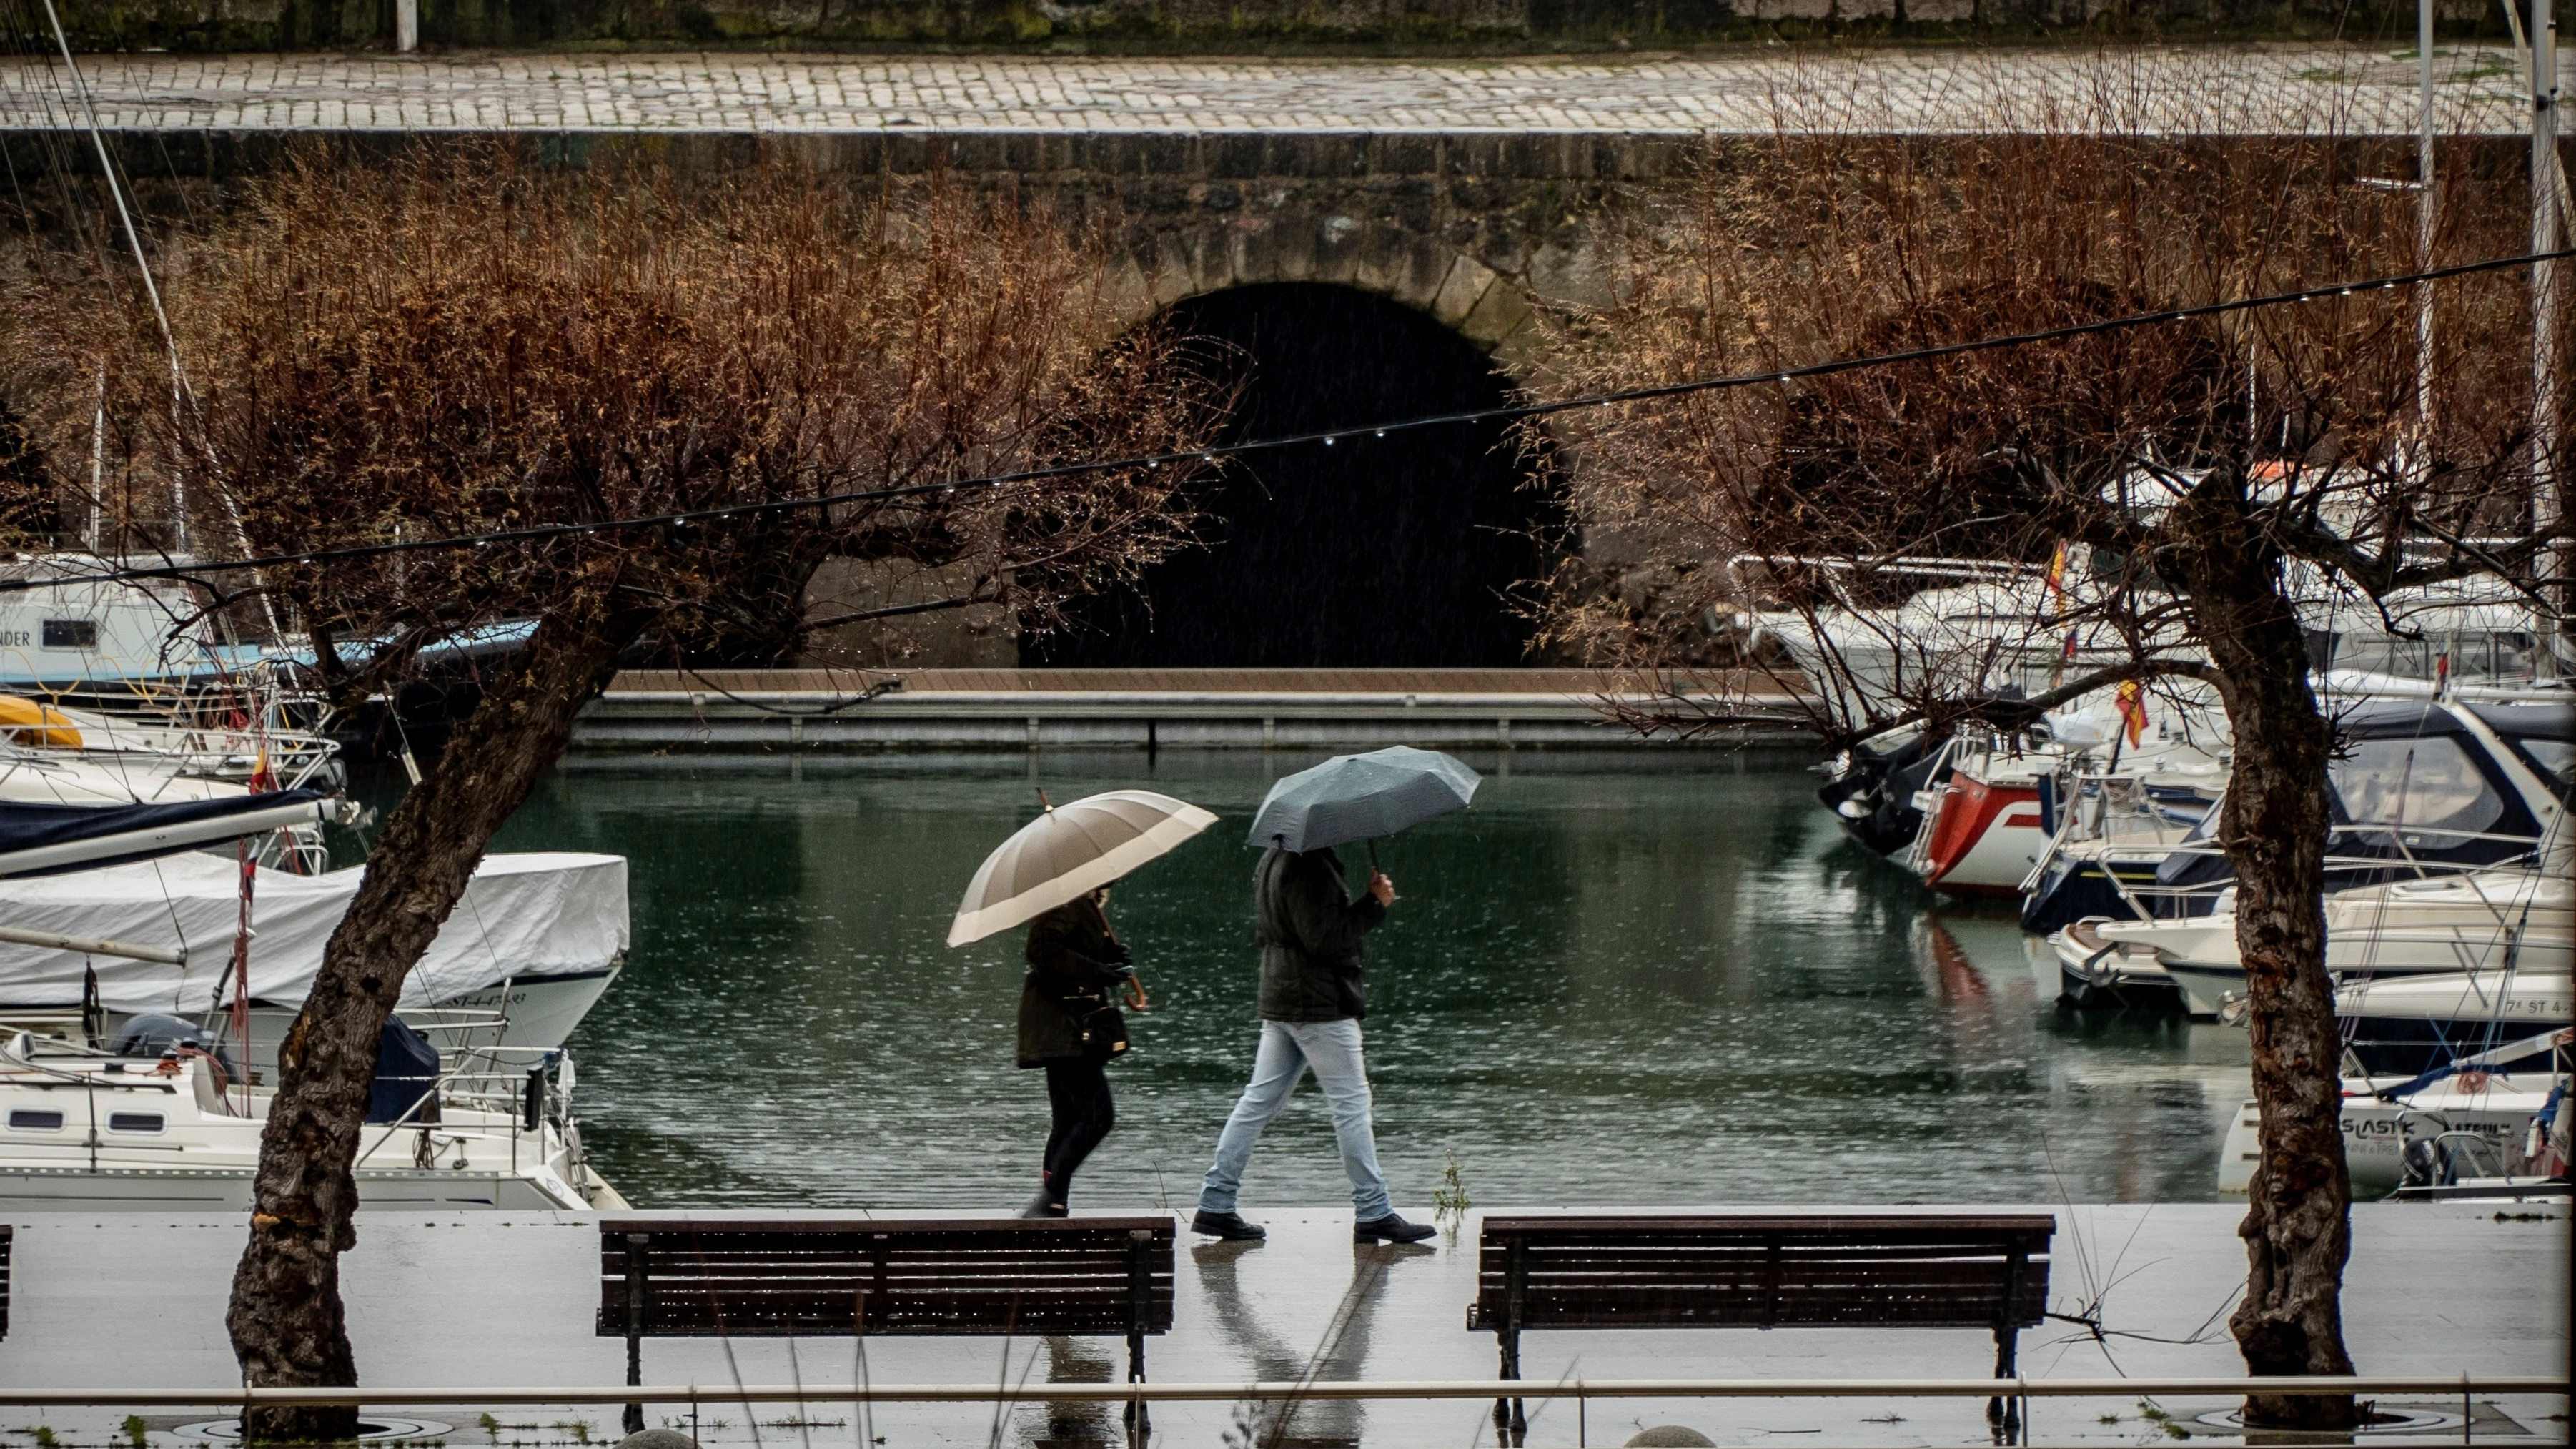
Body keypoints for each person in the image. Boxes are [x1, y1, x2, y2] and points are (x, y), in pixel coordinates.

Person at [1191, 845, 1436, 1245]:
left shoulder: (1274, 856)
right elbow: (1324, 938)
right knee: (1351, 1106)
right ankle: (1374, 1211)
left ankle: (1216, 1203)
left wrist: (1362, 901)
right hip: (1318, 1005)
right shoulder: (1310, 865)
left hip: (1282, 995)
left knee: (1256, 1103)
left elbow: (1298, 928)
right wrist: (1375, 904)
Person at [1017, 886, 1146, 1218]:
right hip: (1066, 1028)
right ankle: (1049, 1198)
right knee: (1098, 1117)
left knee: (1068, 1120)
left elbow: (1071, 952)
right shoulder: (1067, 899)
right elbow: (1041, 951)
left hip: (1064, 1027)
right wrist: (1098, 970)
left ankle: (1053, 1203)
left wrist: (1110, 958)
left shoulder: (1083, 902)